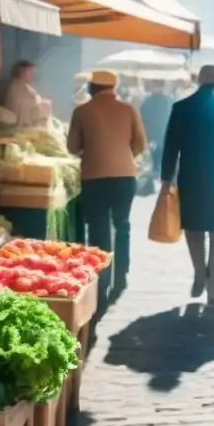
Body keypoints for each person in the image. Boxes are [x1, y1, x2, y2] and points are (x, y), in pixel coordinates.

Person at [161, 65, 214, 304]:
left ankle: (199, 273)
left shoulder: (181, 108)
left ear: (198, 80)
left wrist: (166, 179)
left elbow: (171, 147)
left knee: (194, 230)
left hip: (191, 178)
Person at [67, 70, 146, 301]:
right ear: (114, 87)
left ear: (93, 87)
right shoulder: (128, 109)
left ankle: (101, 278)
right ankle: (122, 273)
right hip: (125, 176)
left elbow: (72, 147)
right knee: (122, 224)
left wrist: (94, 150)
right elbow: (140, 144)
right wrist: (122, 155)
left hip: (94, 176)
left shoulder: (82, 111)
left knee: (99, 228)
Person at [139, 81, 174, 178]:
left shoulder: (146, 101)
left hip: (153, 137)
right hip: (163, 138)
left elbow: (141, 119)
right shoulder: (169, 101)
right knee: (160, 164)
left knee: (154, 163)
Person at [4, 60, 51, 127]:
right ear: (22, 73)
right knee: (46, 105)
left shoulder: (15, 84)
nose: (33, 75)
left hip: (21, 117)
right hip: (21, 121)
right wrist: (40, 100)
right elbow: (34, 101)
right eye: (31, 73)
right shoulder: (20, 86)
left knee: (45, 105)